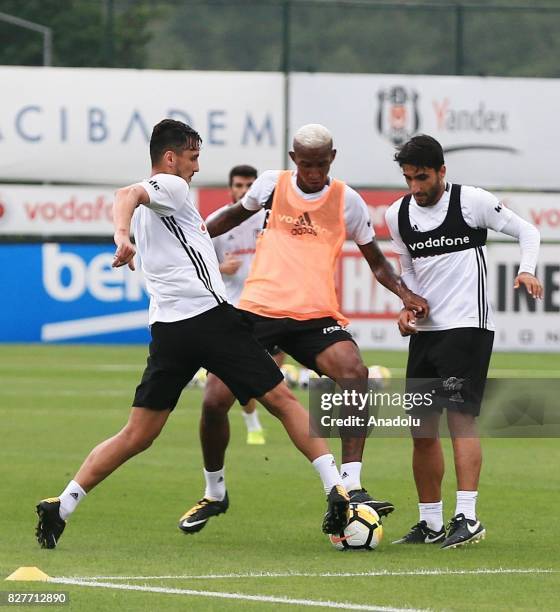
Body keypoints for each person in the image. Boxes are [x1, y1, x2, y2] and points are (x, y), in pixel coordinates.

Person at [34, 119, 353, 549]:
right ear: (171, 157)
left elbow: (127, 197)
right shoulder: (173, 188)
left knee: (137, 434)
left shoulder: (157, 203)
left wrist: (126, 232)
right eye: (193, 157)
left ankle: (62, 506)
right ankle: (338, 489)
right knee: (282, 400)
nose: (197, 167)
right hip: (209, 320)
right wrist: (121, 236)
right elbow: (125, 194)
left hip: (168, 330)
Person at [178, 123, 429, 534]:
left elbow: (376, 261)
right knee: (213, 401)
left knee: (355, 373)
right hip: (258, 309)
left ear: (332, 158)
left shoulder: (348, 200)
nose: (313, 172)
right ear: (294, 160)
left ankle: (351, 483)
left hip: (315, 316)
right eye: (306, 164)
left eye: (321, 164)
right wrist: (191, 234)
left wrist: (403, 293)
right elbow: (228, 216)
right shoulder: (272, 185)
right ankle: (215, 492)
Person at [387, 134, 543, 549]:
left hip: (467, 328)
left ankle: (468, 517)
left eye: (422, 178)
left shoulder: (470, 201)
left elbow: (528, 232)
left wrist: (527, 270)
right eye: (408, 179)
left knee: (460, 421)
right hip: (426, 334)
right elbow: (408, 274)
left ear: (441, 171)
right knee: (421, 431)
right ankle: (430, 522)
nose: (416, 188)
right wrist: (406, 307)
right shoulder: (397, 214)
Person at [209, 164, 285, 445]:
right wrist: (220, 268)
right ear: (230, 188)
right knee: (242, 379)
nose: (243, 191)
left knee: (268, 375)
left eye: (248, 186)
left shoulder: (272, 218)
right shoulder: (216, 222)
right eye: (238, 186)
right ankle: (252, 422)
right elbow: (198, 267)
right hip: (235, 308)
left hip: (270, 307)